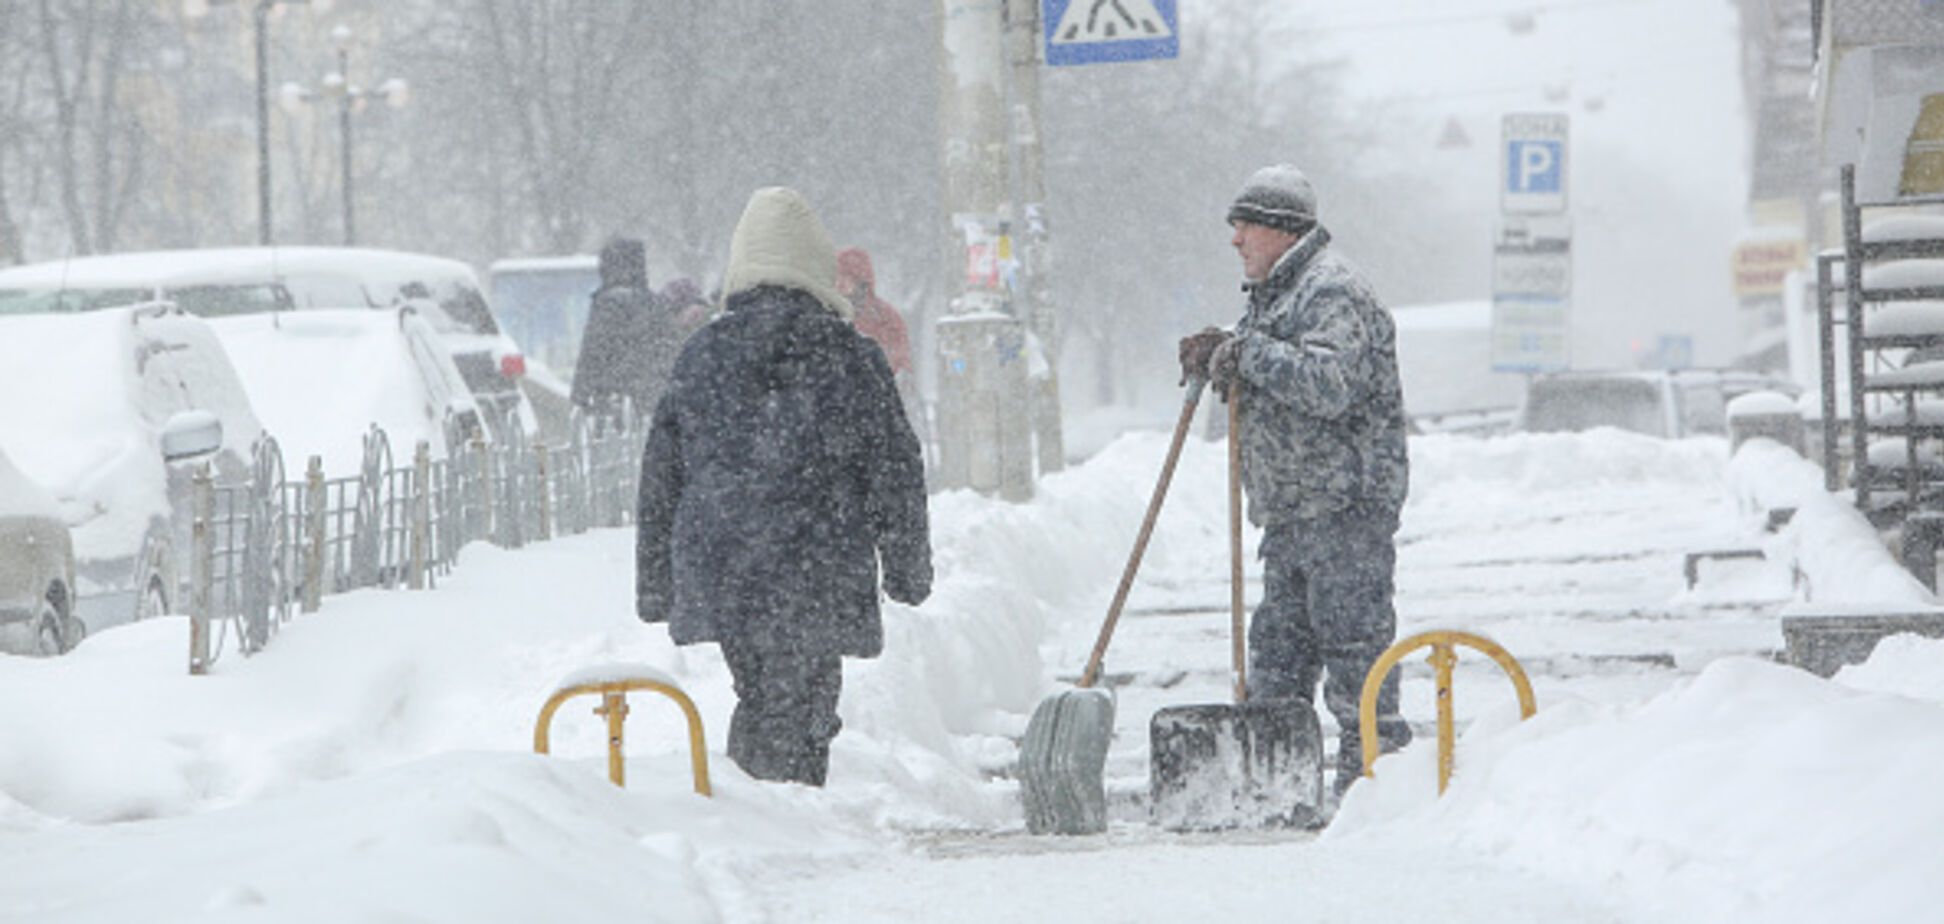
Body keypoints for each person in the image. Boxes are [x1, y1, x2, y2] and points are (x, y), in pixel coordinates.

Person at [635, 187, 932, 787]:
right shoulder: (850, 355)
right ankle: (782, 817)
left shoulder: (702, 354)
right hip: (816, 564)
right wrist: (906, 566)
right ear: (817, 267)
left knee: (765, 696)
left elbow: (661, 474)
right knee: (801, 703)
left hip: (728, 565)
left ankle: (762, 813)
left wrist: (656, 583)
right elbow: (894, 469)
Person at [1178, 163, 1413, 796]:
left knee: (1355, 656)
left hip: (1344, 508)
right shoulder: (1281, 292)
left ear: (1283, 230)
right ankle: (1275, 783)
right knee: (1279, 659)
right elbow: (1281, 363)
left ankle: (1376, 787)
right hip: (1293, 511)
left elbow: (1331, 383)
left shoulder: (1332, 291)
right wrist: (1228, 351)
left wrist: (1247, 353)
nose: (1235, 240)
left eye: (1246, 226)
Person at [570, 237, 680, 418]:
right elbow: (667, 351)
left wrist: (580, 396)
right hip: (648, 398)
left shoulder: (606, 304)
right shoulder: (654, 304)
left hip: (610, 400)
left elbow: (591, 353)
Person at [836, 247, 928, 450]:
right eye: (837, 277)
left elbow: (899, 363)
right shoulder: (828, 316)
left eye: (847, 277)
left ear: (861, 281)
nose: (840, 283)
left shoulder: (885, 319)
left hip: (876, 412)